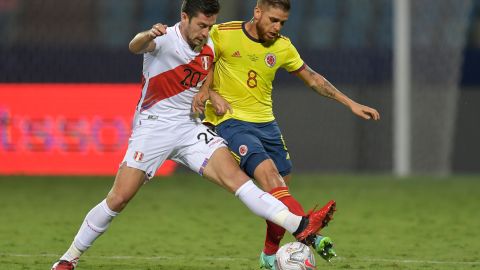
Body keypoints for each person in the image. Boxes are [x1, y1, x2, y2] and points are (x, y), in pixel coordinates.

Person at [50, 1, 336, 269]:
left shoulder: (209, 44)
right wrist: (148, 33)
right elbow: (135, 46)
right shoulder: (163, 39)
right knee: (119, 198)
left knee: (240, 183)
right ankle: (68, 259)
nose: (205, 33)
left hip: (189, 128)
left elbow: (205, 76)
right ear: (184, 17)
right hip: (154, 127)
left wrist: (209, 94)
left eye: (210, 26)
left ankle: (300, 225)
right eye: (201, 25)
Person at [192, 0, 380, 268]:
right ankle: (311, 235)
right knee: (270, 177)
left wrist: (350, 103)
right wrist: (209, 93)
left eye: (282, 22)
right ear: (257, 13)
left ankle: (268, 256)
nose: (277, 27)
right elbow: (200, 64)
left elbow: (314, 79)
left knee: (279, 191)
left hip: (267, 125)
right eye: (272, 20)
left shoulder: (282, 46)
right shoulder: (224, 33)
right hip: (230, 122)